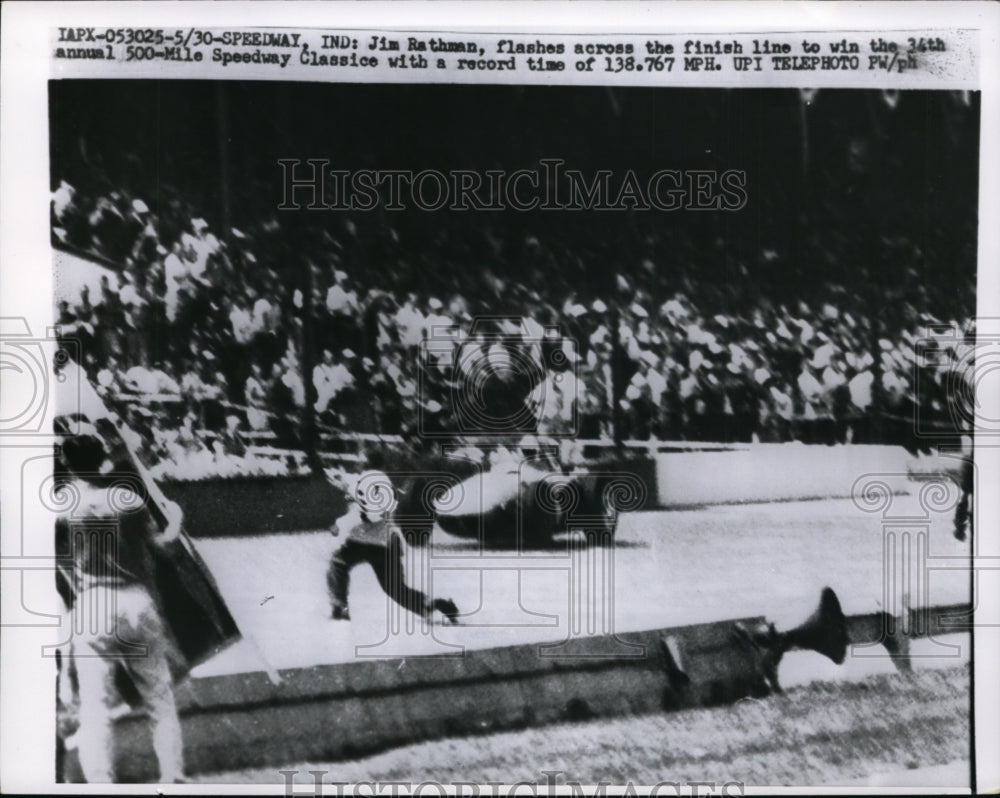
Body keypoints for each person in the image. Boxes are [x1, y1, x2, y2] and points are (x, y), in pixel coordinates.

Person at [55, 422, 186, 783]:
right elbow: (162, 548)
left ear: (67, 463)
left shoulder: (66, 505)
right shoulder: (128, 500)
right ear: (103, 461)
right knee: (159, 697)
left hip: (92, 604)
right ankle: (171, 774)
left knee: (94, 706)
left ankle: (100, 781)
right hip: (134, 600)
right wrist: (175, 518)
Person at [327, 469, 459, 624]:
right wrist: (342, 478)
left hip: (363, 543)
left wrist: (339, 524)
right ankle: (432, 604)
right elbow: (356, 485)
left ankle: (340, 606)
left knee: (338, 563)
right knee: (396, 589)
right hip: (386, 544)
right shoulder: (372, 482)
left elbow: (368, 515)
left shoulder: (374, 491)